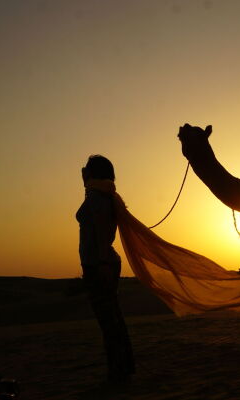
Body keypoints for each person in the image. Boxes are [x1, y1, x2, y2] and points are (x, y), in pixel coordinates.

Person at [76, 155, 135, 383]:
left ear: (92, 174)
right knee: (113, 318)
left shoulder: (96, 196)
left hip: (100, 264)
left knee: (108, 321)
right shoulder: (105, 194)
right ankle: (123, 368)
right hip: (104, 262)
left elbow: (101, 229)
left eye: (85, 170)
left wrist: (100, 262)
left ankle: (118, 372)